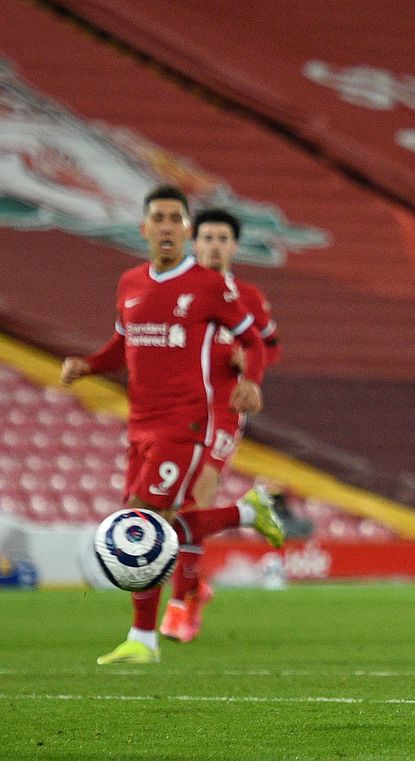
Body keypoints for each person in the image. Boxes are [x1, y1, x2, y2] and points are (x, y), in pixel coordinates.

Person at [61, 185, 285, 665]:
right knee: (154, 521)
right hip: (139, 424)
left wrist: (251, 380)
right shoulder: (130, 283)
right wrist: (88, 365)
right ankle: (245, 514)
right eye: (158, 218)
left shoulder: (208, 285)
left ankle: (149, 634)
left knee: (139, 518)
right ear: (143, 228)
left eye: (175, 219)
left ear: (186, 231)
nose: (166, 227)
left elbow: (254, 340)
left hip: (186, 422)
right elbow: (122, 345)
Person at [159, 208, 283, 644]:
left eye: (222, 239)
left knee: (197, 499)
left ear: (234, 246)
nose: (214, 246)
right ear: (195, 243)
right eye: (207, 238)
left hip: (223, 411)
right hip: (178, 410)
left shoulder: (247, 297)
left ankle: (179, 607)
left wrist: (249, 366)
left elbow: (270, 346)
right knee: (171, 512)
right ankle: (196, 584)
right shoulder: (176, 292)